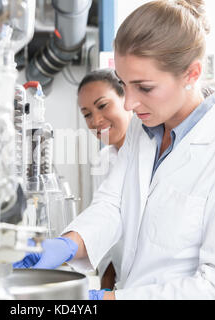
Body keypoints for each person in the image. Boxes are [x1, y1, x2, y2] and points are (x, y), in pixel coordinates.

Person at [14, 0, 215, 300]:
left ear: (191, 73)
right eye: (124, 85)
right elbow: (113, 205)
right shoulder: (142, 129)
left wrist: (105, 299)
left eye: (144, 87)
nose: (129, 104)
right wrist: (70, 243)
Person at [77, 69, 132, 290]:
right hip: (122, 285)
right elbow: (108, 231)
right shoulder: (103, 161)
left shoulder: (155, 154)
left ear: (126, 98)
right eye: (87, 114)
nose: (96, 120)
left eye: (102, 105)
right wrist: (106, 286)